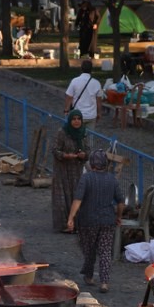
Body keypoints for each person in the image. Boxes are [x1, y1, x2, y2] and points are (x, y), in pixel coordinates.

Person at [66, 148, 123, 291]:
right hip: (107, 220)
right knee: (105, 251)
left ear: (91, 164)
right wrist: (118, 216)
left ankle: (89, 275)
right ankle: (104, 282)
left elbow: (78, 199)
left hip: (87, 220)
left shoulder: (86, 178)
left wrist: (71, 218)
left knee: (89, 249)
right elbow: (121, 202)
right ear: (106, 163)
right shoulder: (112, 179)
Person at [51, 111, 90, 233]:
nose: (77, 121)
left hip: (76, 171)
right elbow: (55, 150)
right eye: (74, 119)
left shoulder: (83, 133)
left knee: (77, 197)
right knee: (62, 198)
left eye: (79, 119)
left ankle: (76, 224)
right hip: (62, 170)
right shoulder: (62, 132)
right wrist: (66, 155)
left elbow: (88, 150)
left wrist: (84, 155)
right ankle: (64, 225)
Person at [64, 58, 101, 122]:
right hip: (91, 115)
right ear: (91, 70)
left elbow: (69, 97)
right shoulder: (96, 83)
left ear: (81, 68)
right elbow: (98, 100)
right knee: (90, 132)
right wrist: (99, 113)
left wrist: (66, 110)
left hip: (77, 115)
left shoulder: (75, 81)